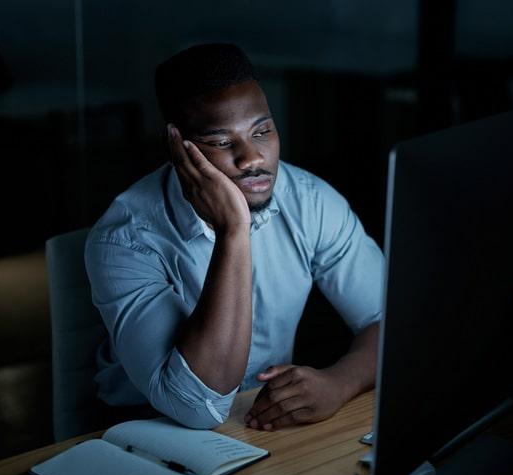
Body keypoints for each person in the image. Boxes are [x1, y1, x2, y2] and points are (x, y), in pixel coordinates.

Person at [85, 43, 384, 431]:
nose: (253, 158)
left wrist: (340, 381)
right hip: (145, 431)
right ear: (178, 145)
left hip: (258, 421)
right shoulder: (124, 240)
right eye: (224, 142)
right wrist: (234, 231)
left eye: (262, 131)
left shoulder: (309, 201)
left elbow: (391, 319)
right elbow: (197, 408)